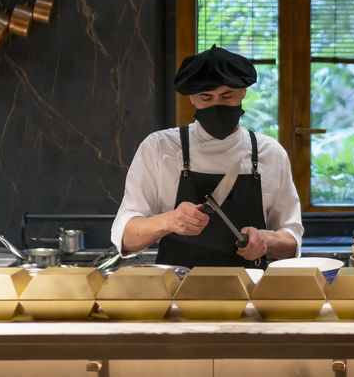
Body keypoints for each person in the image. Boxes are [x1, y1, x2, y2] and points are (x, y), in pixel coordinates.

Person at [111, 45, 302, 268]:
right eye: (206, 97)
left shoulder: (270, 152)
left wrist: (266, 240)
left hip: (251, 291)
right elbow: (126, 237)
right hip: (178, 291)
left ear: (243, 92)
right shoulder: (159, 148)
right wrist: (168, 221)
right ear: (192, 98)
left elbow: (291, 240)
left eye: (226, 95)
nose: (216, 105)